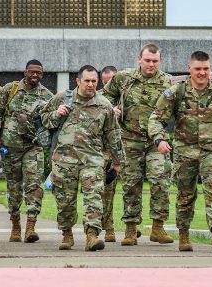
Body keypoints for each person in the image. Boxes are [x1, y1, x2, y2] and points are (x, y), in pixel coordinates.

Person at [148, 50, 212, 252]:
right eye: (197, 69)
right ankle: (184, 234)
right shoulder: (176, 92)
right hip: (184, 151)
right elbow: (156, 118)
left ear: (210, 69)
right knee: (186, 195)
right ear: (189, 69)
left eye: (205, 69)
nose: (202, 73)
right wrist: (159, 139)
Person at [40, 65, 124, 251]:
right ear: (78, 81)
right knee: (65, 201)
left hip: (92, 159)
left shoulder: (104, 105)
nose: (91, 84)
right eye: (87, 81)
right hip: (64, 160)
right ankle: (67, 234)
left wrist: (118, 162)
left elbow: (113, 134)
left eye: (94, 81)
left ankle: (92, 236)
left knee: (93, 196)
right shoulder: (63, 98)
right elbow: (43, 119)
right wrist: (56, 113)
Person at [101, 44, 173, 246]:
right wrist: (112, 109)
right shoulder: (124, 79)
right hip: (129, 141)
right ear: (139, 59)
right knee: (131, 186)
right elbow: (104, 96)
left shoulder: (166, 82)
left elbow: (176, 107)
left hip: (154, 142)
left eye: (155, 61)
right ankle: (131, 230)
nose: (151, 64)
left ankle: (158, 227)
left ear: (160, 61)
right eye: (147, 60)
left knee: (161, 181)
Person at [0, 59, 53, 243]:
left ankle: (31, 226)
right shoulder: (11, 89)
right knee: (14, 188)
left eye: (38, 73)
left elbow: (50, 121)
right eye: (31, 71)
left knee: (34, 185)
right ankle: (16, 224)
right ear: (25, 72)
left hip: (33, 147)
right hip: (10, 148)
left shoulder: (47, 95)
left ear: (42, 75)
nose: (35, 75)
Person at [98, 65, 119, 242]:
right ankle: (108, 227)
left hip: (128, 149)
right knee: (106, 191)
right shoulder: (97, 97)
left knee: (131, 192)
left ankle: (131, 227)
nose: (107, 85)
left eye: (111, 81)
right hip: (105, 151)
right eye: (104, 82)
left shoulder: (127, 96)